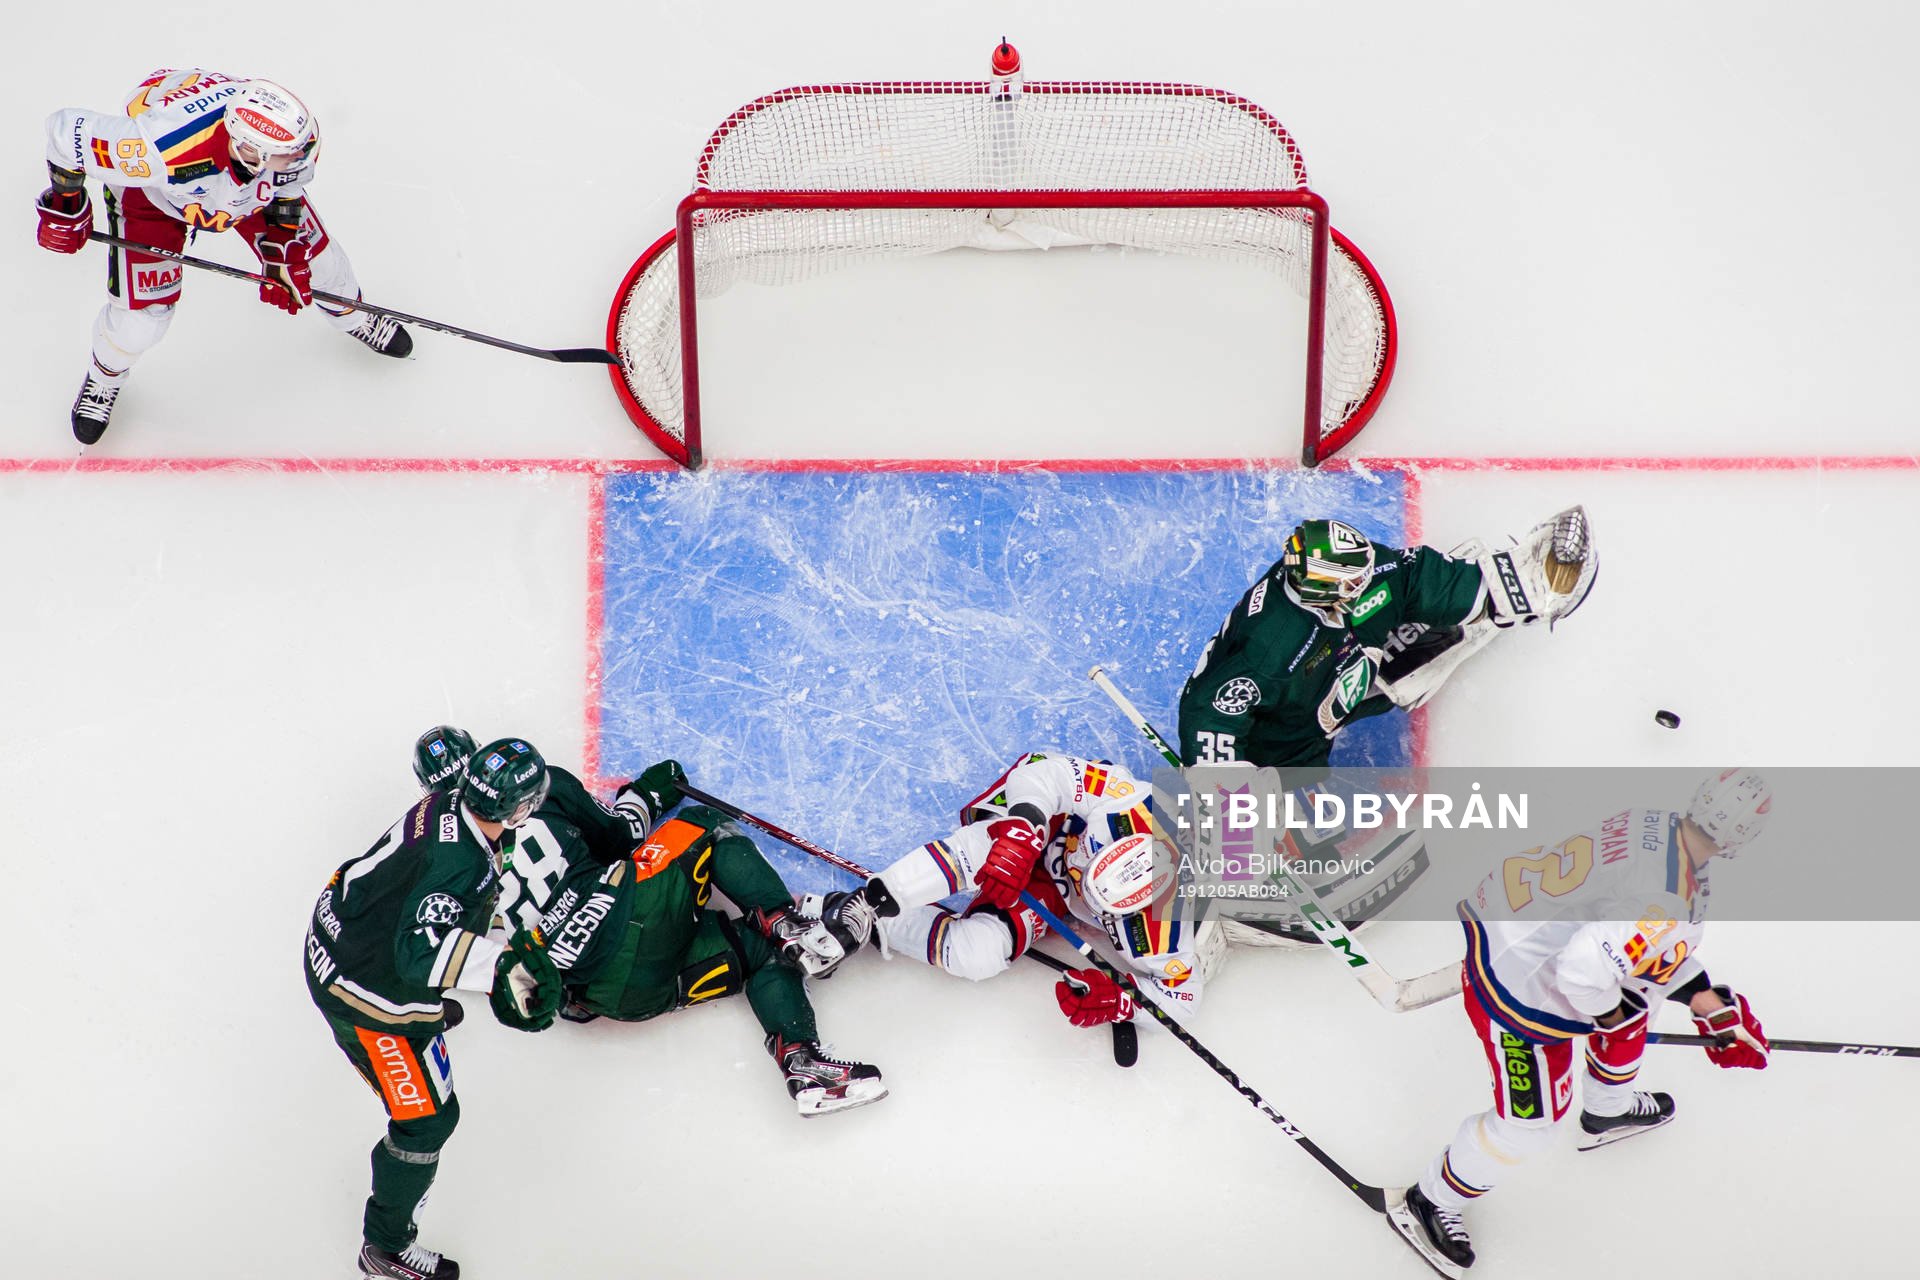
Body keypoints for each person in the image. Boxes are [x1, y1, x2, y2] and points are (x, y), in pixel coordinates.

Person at [1386, 770, 1774, 1277]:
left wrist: (1706, 1000)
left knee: (1636, 997)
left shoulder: (1652, 825)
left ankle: (1607, 1110)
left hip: (1505, 923)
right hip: (1513, 991)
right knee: (1528, 1127)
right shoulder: (1667, 900)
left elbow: (1641, 940)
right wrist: (1610, 1017)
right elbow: (1584, 971)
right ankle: (1429, 1201)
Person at [413, 726, 887, 1118]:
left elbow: (442, 952)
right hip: (633, 915)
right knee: (704, 824)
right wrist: (647, 793)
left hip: (610, 996)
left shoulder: (434, 862)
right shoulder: (544, 785)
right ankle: (792, 931)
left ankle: (805, 1069)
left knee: (757, 954)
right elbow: (621, 835)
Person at [37, 69, 411, 445]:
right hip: (154, 199)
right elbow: (65, 133)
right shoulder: (157, 148)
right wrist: (67, 203)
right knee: (142, 322)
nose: (299, 160)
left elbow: (289, 181)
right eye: (287, 156)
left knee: (321, 265)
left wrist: (283, 244)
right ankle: (104, 377)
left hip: (244, 193)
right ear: (250, 150)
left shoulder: (293, 142)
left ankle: (354, 316)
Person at [305, 738, 562, 1280]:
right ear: (517, 809)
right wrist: (503, 969)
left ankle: (422, 1013)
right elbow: (417, 951)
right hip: (359, 986)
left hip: (348, 929)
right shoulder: (460, 860)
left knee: (427, 1071)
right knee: (426, 1122)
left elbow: (435, 906)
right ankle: (385, 1249)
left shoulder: (453, 804)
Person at [820, 751, 1224, 1030]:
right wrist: (1024, 830)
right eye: (1088, 862)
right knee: (983, 848)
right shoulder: (1129, 805)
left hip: (1053, 898)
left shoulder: (1161, 933)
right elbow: (1047, 773)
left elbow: (1183, 1001)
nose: (1080, 877)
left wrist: (1124, 1002)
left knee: (977, 954)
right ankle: (869, 904)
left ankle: (876, 925)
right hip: (1052, 823)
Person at [1178, 510, 1597, 769]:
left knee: (1421, 620)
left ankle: (1493, 594)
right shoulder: (1271, 646)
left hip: (1335, 663)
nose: (1368, 576)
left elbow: (1407, 575)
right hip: (1277, 733)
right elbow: (1209, 714)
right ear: (1323, 591)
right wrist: (1224, 794)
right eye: (1354, 581)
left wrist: (1501, 586)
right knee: (1281, 797)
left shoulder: (1351, 567)